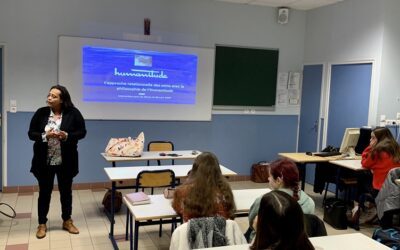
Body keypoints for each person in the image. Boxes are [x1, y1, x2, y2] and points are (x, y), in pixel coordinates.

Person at [28, 85, 86, 239]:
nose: (49, 98)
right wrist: (44, 136)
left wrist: (66, 135)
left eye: (54, 96)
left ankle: (67, 221)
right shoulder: (41, 113)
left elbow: (82, 132)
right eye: (49, 95)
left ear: (62, 99)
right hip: (44, 160)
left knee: (66, 192)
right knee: (44, 193)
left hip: (66, 161)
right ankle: (42, 224)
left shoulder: (73, 113)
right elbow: (30, 133)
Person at [247, 158, 315, 242]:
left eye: (270, 176)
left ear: (278, 180)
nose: (268, 179)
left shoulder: (263, 201)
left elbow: (252, 223)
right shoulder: (310, 202)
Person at [351, 127, 400, 229]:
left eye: (373, 138)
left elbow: (364, 162)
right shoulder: (396, 148)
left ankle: (357, 206)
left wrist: (370, 147)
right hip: (396, 189)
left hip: (381, 191)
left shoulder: (376, 151)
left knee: (360, 176)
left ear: (380, 139)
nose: (370, 140)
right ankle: (368, 209)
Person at [172, 152, 236, 222]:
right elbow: (230, 212)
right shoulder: (225, 191)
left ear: (194, 169)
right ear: (217, 170)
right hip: (219, 232)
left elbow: (179, 210)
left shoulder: (182, 192)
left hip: (192, 232)